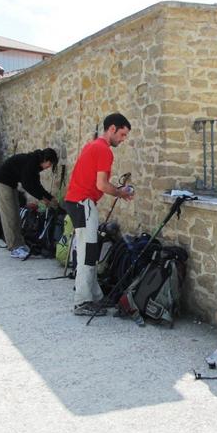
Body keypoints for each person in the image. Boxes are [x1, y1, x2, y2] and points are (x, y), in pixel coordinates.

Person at [64, 112, 134, 317]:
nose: (123, 140)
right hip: (83, 203)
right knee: (87, 254)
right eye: (122, 134)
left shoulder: (92, 145)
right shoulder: (104, 150)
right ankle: (82, 302)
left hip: (78, 202)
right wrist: (121, 193)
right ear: (112, 129)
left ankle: (94, 296)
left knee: (91, 252)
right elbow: (101, 184)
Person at [0, 148, 59, 259]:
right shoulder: (31, 162)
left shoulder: (35, 164)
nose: (49, 167)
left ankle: (20, 244)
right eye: (50, 164)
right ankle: (14, 248)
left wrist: (49, 198)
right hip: (2, 182)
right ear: (45, 159)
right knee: (9, 215)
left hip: (10, 184)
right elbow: (27, 184)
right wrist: (42, 199)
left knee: (16, 215)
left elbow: (37, 185)